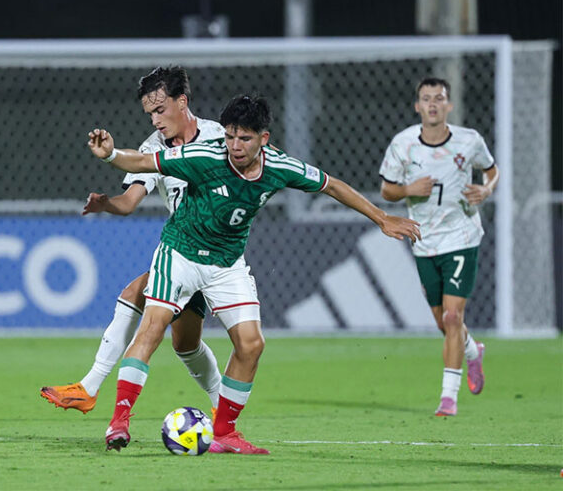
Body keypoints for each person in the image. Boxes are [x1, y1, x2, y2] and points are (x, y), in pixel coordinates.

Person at [88, 94, 420, 454]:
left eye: (244, 138)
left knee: (251, 344)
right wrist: (110, 154)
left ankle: (225, 432)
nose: (234, 146)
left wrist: (383, 218)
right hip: (180, 252)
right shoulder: (204, 156)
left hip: (227, 264)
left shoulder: (280, 166)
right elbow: (143, 162)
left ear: (264, 138)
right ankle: (119, 422)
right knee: (153, 327)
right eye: (230, 136)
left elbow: (333, 186)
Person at [40, 66, 223, 414]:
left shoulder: (217, 136)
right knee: (185, 344)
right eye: (149, 113)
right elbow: (129, 202)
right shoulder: (152, 148)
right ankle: (221, 408)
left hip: (215, 254)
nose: (154, 120)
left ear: (181, 102)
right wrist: (106, 203)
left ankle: (89, 387)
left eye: (159, 110)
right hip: (184, 252)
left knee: (135, 295)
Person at [379, 77, 498, 417]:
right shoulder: (403, 144)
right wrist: (408, 190)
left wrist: (486, 190)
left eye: (439, 98)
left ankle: (449, 397)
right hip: (423, 239)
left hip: (461, 236)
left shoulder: (469, 140)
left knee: (452, 315)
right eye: (426, 98)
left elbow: (491, 171)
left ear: (449, 105)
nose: (432, 104)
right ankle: (473, 351)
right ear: (417, 106)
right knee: (442, 323)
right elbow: (387, 190)